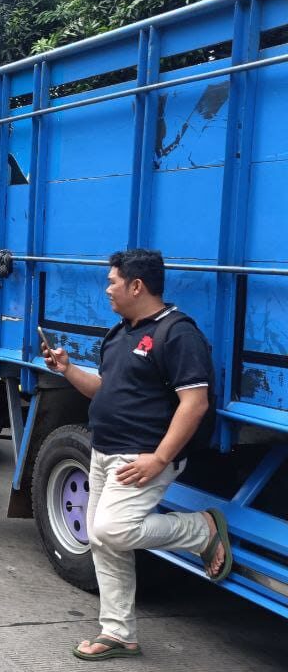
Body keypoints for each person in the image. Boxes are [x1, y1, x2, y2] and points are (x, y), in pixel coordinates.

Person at [42, 249, 230, 662]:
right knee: (102, 542)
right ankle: (119, 632)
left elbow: (194, 403)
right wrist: (68, 370)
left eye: (112, 282)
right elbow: (104, 390)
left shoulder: (178, 334)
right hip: (104, 450)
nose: (107, 289)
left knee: (113, 531)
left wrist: (159, 459)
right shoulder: (120, 333)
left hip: (142, 456)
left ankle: (201, 531)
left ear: (136, 285)